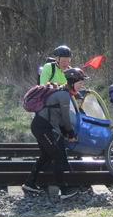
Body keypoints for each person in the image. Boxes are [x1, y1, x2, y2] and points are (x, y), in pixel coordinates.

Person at [24, 67, 87, 199]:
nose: (82, 85)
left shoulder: (64, 92)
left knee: (47, 156)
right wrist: (70, 134)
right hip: (42, 128)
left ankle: (29, 183)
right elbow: (65, 119)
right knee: (57, 156)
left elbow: (57, 119)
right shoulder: (64, 95)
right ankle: (64, 191)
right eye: (80, 83)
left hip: (41, 127)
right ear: (72, 82)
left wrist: (66, 133)